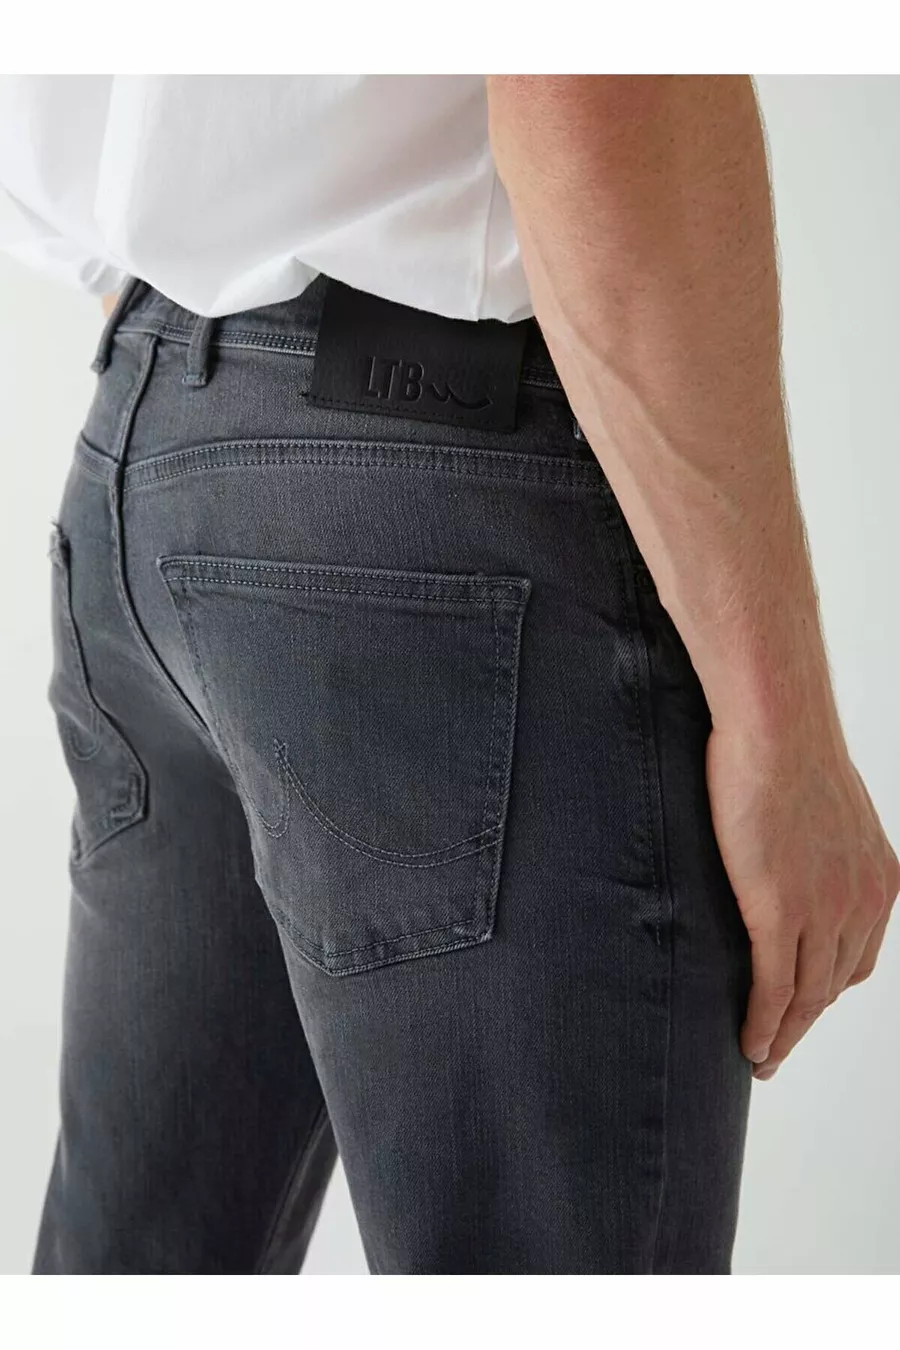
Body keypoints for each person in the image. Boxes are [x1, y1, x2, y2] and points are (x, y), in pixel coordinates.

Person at [0, 74, 896, 1276]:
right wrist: (781, 728)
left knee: (140, 1268)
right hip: (437, 503)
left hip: (148, 440)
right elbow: (597, 88)